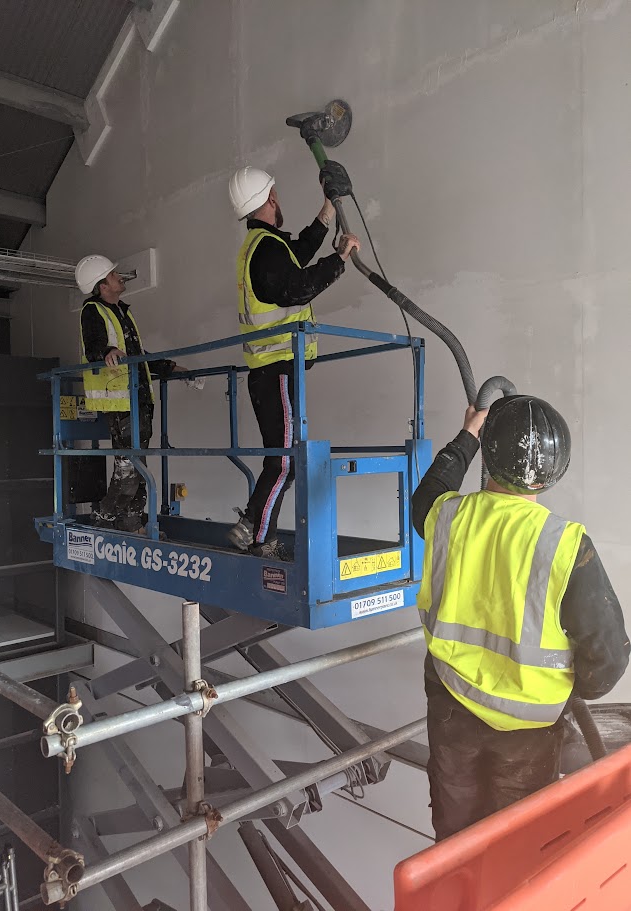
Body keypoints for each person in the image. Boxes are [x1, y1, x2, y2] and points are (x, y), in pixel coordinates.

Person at [412, 395, 629, 841]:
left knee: (455, 839)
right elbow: (606, 664)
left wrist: (469, 434)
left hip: (452, 709)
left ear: (488, 457)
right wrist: (571, 687)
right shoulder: (565, 544)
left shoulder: (448, 516)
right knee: (517, 845)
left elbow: (428, 491)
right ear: (556, 471)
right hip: (529, 731)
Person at [226, 166, 361, 559]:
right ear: (270, 198)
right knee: (285, 460)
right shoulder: (265, 249)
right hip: (278, 367)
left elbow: (297, 256)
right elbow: (296, 287)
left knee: (282, 457)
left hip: (270, 370)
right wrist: (339, 259)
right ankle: (255, 535)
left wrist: (327, 213)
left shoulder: (262, 245)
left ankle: (252, 526)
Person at [76, 254, 186, 533]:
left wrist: (167, 366)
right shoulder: (93, 311)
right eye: (114, 275)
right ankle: (104, 518)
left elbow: (136, 354)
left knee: (138, 468)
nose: (119, 277)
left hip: (138, 398)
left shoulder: (122, 311)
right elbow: (94, 345)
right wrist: (107, 352)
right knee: (128, 470)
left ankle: (132, 522)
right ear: (103, 286)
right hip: (121, 401)